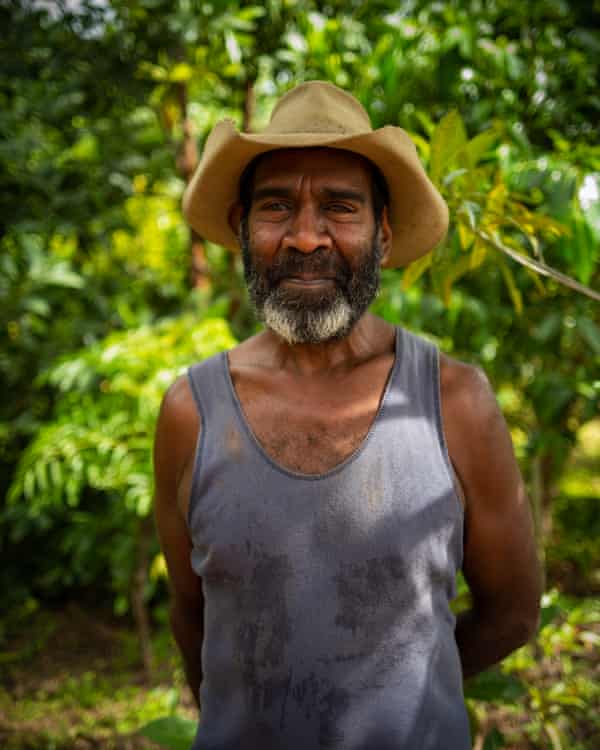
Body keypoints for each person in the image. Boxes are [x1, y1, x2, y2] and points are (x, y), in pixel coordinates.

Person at [153, 81, 541, 750]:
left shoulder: (455, 402)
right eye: (278, 206)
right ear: (243, 228)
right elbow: (194, 615)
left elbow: (513, 612)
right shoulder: (191, 412)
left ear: (383, 235)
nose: (307, 237)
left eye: (339, 207)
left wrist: (404, 687)